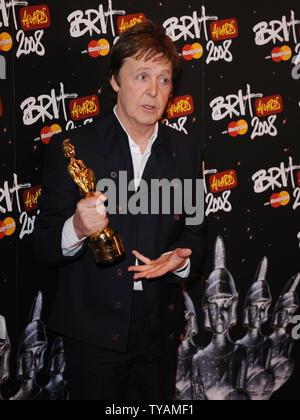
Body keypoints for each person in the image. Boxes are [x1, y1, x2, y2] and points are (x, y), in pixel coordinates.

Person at [34, 20, 207, 400]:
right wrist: (76, 228)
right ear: (114, 79)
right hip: (93, 337)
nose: (153, 91)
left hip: (160, 334)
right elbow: (43, 247)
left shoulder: (187, 152)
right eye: (141, 76)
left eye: (164, 80)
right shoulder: (72, 148)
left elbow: (195, 231)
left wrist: (181, 260)